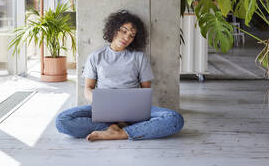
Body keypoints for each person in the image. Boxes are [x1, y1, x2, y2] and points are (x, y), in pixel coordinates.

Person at [55, 10, 184, 141]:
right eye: (124, 31)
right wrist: (101, 102)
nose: (127, 37)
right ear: (114, 29)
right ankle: (113, 128)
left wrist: (130, 110)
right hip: (103, 109)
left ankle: (121, 133)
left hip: (133, 111)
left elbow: (146, 90)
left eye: (132, 35)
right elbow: (88, 88)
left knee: (174, 119)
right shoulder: (95, 57)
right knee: (62, 120)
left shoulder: (139, 57)